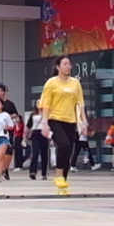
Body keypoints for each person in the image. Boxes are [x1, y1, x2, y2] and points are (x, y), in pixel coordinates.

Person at [36, 55, 85, 195]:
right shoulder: (51, 83)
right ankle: (58, 175)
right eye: (65, 64)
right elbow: (45, 104)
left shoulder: (75, 83)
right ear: (58, 67)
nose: (68, 66)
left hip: (71, 121)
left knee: (68, 153)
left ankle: (62, 186)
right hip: (55, 119)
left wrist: (83, 121)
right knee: (64, 145)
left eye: (69, 64)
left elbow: (80, 104)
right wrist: (44, 123)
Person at [23, 107, 51, 179]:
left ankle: (44, 173)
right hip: (35, 133)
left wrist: (51, 135)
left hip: (44, 133)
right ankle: (32, 172)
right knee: (35, 153)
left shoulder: (47, 114)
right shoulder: (33, 114)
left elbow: (51, 125)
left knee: (44, 154)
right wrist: (24, 137)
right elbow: (28, 126)